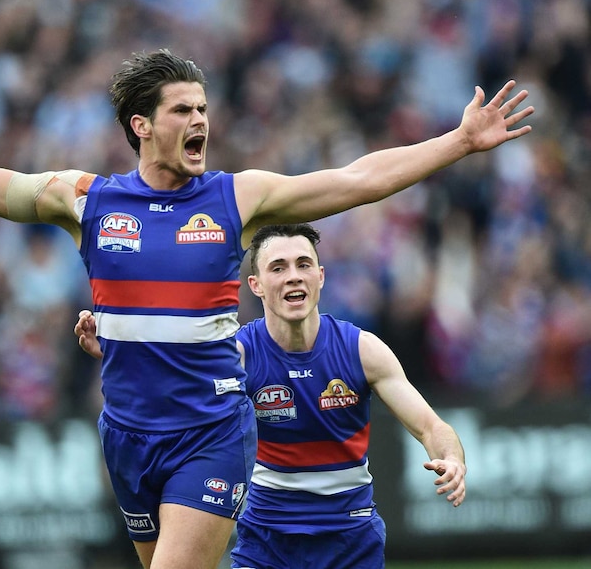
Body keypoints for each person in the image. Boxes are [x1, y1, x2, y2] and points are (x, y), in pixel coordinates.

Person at [0, 49, 521, 569]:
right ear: (142, 124)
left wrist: (456, 142)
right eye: (183, 110)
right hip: (129, 438)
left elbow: (357, 178)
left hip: (212, 434)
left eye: (204, 107)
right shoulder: (87, 201)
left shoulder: (238, 197)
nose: (201, 120)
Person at [74, 222, 467, 569]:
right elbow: (166, 383)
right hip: (266, 543)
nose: (293, 276)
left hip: (351, 539)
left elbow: (431, 426)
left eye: (303, 264)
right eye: (278, 268)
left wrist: (451, 459)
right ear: (256, 285)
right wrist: (116, 354)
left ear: (321, 276)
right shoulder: (237, 354)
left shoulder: (362, 350)